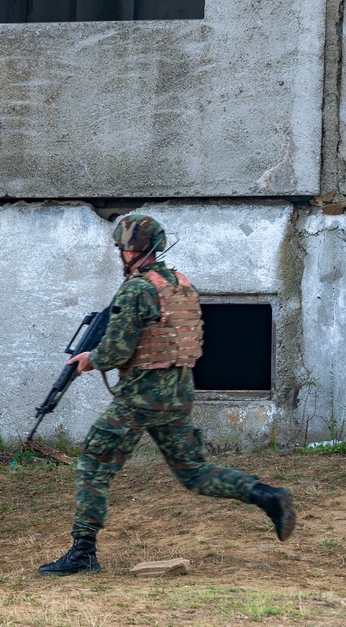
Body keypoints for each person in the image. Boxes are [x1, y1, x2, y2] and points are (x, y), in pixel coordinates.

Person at [38, 214, 295, 576]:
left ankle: (82, 553)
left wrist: (89, 359)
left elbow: (115, 351)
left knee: (95, 461)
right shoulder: (179, 283)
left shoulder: (136, 289)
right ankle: (268, 496)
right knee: (195, 472)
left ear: (135, 249)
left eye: (122, 248)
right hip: (178, 391)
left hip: (142, 395)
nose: (119, 255)